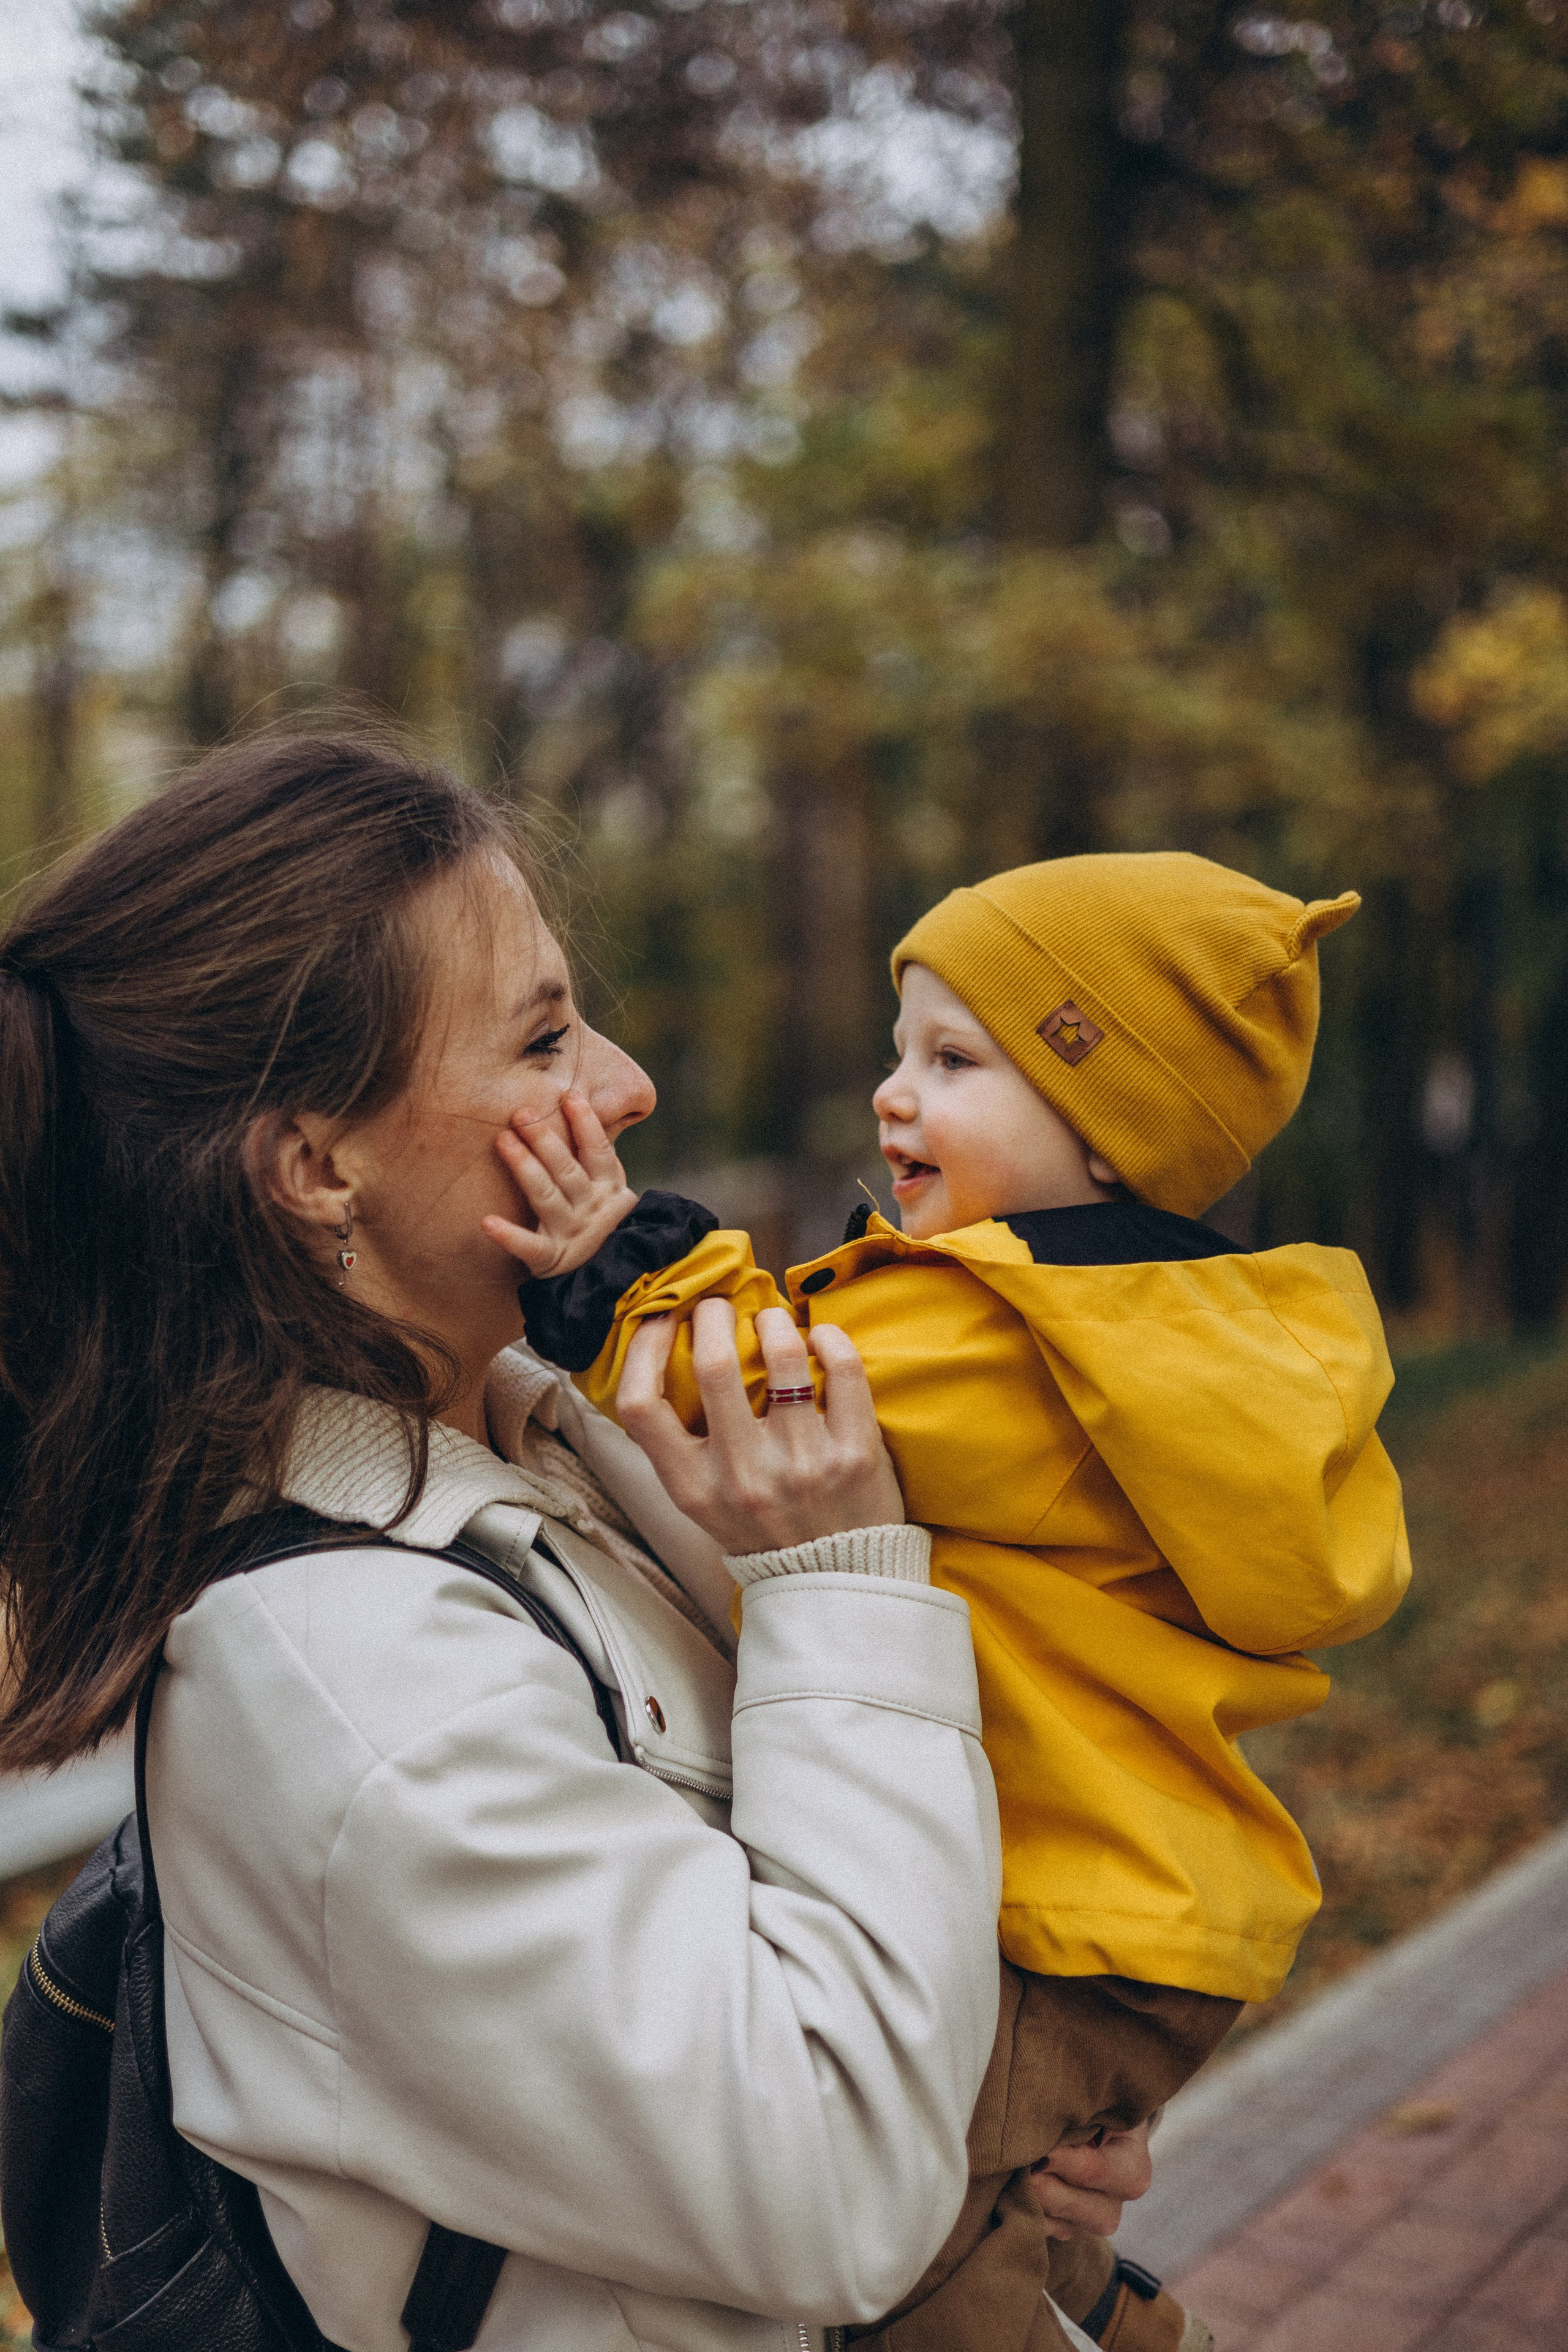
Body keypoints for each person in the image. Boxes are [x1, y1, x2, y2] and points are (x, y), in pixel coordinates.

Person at [0, 728, 1147, 2352]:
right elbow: (830, 2181)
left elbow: (838, 1948)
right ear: (317, 1168)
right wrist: (839, 1575)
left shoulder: (561, 1431)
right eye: (544, 1041)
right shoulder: (352, 1684)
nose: (623, 1087)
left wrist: (1012, 2118)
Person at [493, 851, 1415, 2352]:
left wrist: (618, 1265)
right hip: (1151, 1917)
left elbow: (755, 1386)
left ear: (1108, 1131)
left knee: (898, 2223)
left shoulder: (1010, 1329)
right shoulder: (1194, 1332)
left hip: (1042, 1915)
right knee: (994, 2200)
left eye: (953, 1059)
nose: (888, 1095)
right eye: (898, 1046)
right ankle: (1113, 2321)